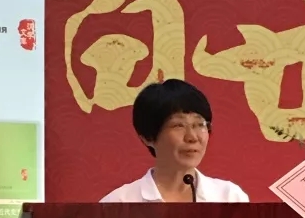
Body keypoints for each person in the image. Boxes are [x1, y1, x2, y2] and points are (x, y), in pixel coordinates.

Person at [100, 79, 248, 203]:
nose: (192, 137)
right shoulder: (118, 204)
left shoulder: (229, 197)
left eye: (199, 124)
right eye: (178, 125)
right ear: (148, 137)